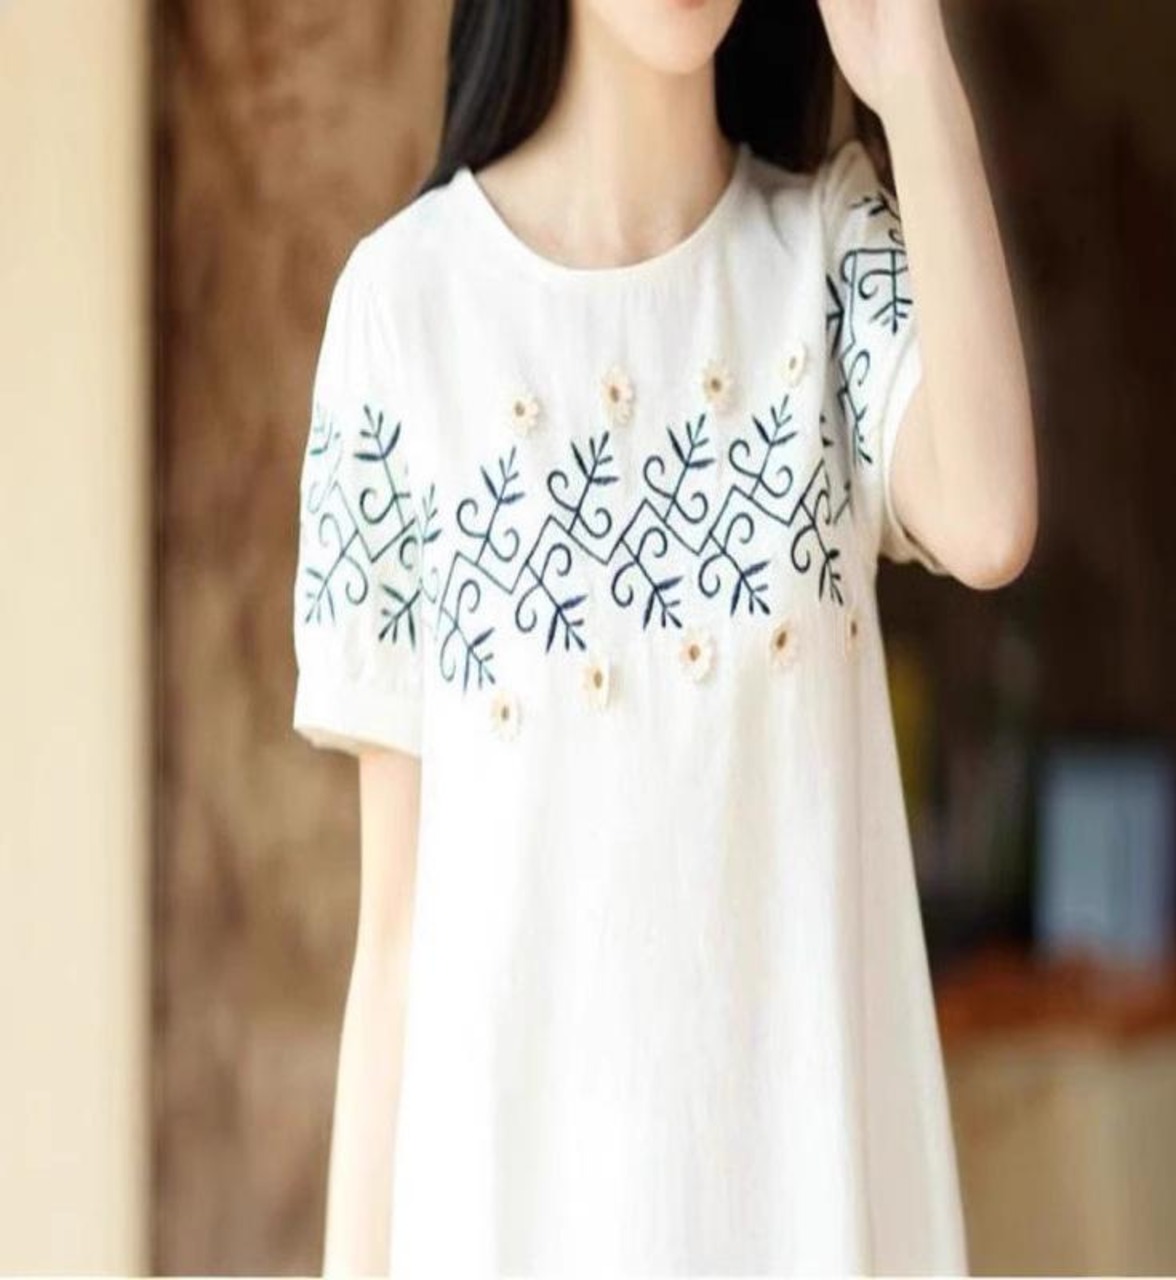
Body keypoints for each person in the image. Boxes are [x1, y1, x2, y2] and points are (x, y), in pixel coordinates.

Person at [290, 0, 1036, 1273]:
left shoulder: (823, 259)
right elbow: (397, 941)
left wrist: (912, 73)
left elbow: (986, 517)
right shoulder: (403, 311)